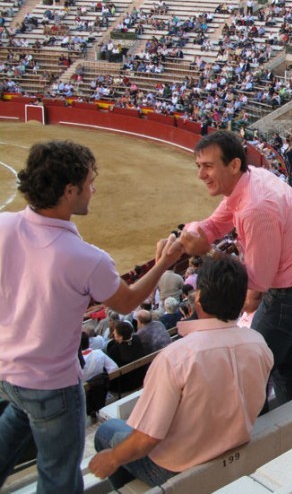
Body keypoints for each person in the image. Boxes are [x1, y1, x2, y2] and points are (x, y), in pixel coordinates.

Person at [0, 140, 183, 494]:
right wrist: (164, 260)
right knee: (58, 478)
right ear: (69, 191)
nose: (93, 189)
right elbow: (128, 301)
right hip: (52, 385)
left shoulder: (4, 225)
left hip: (8, 372)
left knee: (13, 431)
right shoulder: (86, 258)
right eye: (87, 183)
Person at [90, 255, 273, 488]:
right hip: (234, 448)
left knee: (105, 432)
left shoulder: (176, 357)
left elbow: (147, 439)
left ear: (199, 301)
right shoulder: (259, 344)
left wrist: (113, 458)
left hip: (176, 468)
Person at [180, 131, 292, 405]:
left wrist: (210, 253)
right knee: (282, 360)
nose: (201, 174)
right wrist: (195, 231)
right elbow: (215, 224)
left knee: (249, 371)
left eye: (208, 166)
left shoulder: (255, 207)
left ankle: (257, 433)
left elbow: (255, 291)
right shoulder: (252, 180)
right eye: (199, 166)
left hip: (291, 296)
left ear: (234, 165)